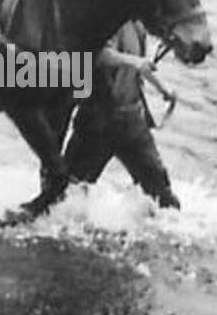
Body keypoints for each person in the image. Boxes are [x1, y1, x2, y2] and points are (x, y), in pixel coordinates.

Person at [64, 19, 180, 208]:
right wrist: (135, 62)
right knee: (67, 195)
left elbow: (140, 67)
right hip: (97, 120)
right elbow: (97, 54)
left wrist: (162, 88)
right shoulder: (107, 16)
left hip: (132, 121)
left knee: (162, 197)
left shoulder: (137, 26)